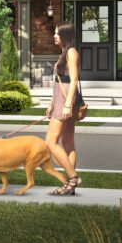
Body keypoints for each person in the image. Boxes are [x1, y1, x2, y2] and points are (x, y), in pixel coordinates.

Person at [45, 21, 83, 196]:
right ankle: (70, 185)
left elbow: (74, 79)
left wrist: (67, 105)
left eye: (57, 33)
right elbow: (59, 82)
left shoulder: (71, 53)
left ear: (65, 36)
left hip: (66, 102)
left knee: (50, 142)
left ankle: (73, 177)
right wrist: (51, 103)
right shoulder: (64, 53)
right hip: (61, 100)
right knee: (67, 144)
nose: (54, 36)